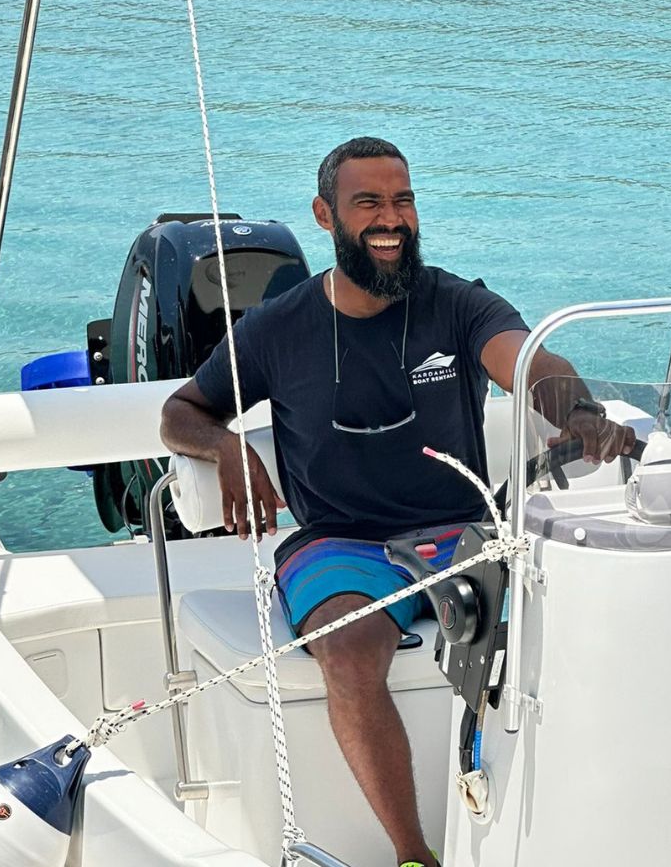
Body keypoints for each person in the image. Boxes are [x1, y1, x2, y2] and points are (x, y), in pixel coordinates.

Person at [160, 136, 636, 867]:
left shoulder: (458, 303)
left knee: (587, 619)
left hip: (464, 533)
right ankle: (416, 855)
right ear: (326, 215)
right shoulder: (276, 328)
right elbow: (182, 411)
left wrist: (575, 412)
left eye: (403, 200)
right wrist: (227, 448)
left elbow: (531, 360)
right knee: (348, 650)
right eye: (369, 203)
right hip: (341, 541)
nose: (392, 218)